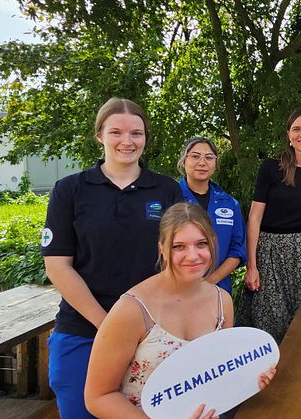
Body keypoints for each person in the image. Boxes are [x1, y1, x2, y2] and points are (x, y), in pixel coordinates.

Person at [41, 98, 183, 418]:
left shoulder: (166, 190)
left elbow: (179, 263)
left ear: (146, 138)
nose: (127, 141)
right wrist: (110, 327)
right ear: (100, 136)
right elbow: (57, 265)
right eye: (116, 132)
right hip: (83, 332)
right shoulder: (70, 190)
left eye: (136, 133)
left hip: (152, 334)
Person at [84, 203, 276, 418]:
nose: (192, 256)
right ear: (162, 249)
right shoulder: (132, 310)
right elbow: (98, 397)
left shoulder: (223, 302)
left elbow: (216, 375)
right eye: (179, 246)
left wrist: (249, 379)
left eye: (201, 244)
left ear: (213, 244)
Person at [237, 106, 301, 342]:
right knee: (267, 319)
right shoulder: (271, 168)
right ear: (289, 135)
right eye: (296, 129)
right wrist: (252, 266)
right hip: (268, 250)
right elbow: (254, 218)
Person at [178, 137, 247, 295]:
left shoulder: (230, 204)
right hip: (177, 290)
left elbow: (237, 250)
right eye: (195, 156)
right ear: (183, 161)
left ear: (215, 164)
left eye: (209, 157)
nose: (202, 162)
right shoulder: (170, 197)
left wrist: (210, 281)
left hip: (218, 289)